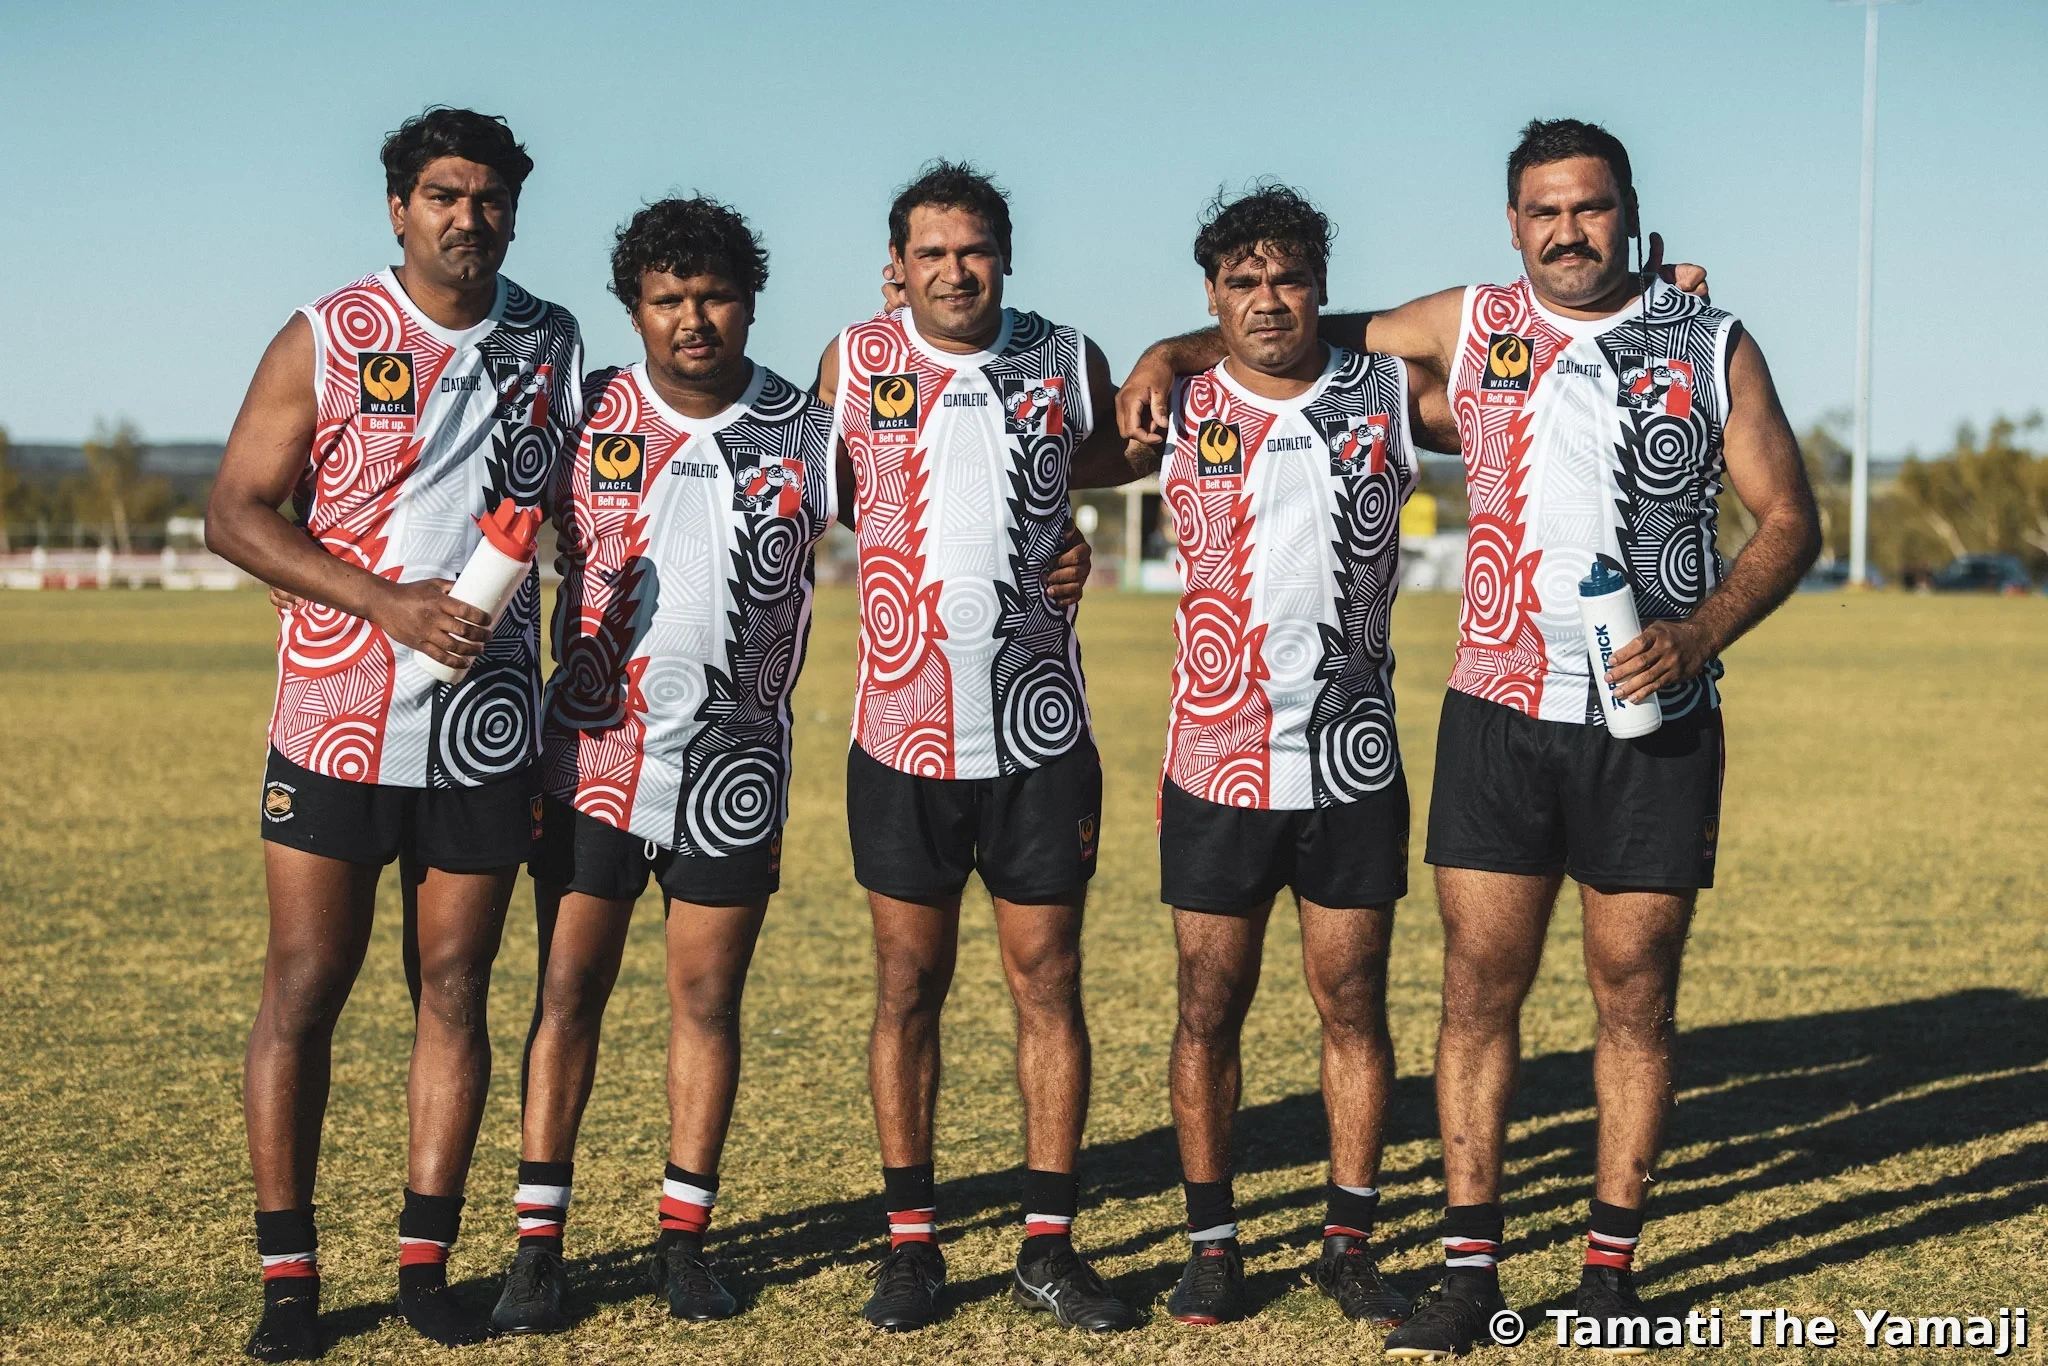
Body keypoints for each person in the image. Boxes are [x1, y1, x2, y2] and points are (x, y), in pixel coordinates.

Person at [1122, 119, 1817, 1359]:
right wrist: (1169, 349)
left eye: (1589, 208)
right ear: (1510, 224)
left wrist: (1699, 634)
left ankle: (1608, 1277)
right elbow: (1298, 334)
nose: (1566, 230)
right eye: (1543, 211)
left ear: (1626, 209)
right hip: (1496, 712)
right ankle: (1465, 1271)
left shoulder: (1706, 339)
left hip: (1649, 724)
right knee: (1471, 999)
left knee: (1635, 999)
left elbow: (1787, 521)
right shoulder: (1470, 321)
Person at [205, 107, 584, 1360]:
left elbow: (586, 509)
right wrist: (381, 602)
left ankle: (427, 1266)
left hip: (484, 734)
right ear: (396, 207)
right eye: (439, 194)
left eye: (485, 197)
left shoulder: (551, 340)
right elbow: (236, 513)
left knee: (455, 991)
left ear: (513, 210)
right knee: (306, 988)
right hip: (335, 720)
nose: (464, 216)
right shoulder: (330, 332)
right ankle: (290, 1281)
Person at [480, 197, 835, 1334]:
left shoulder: (804, 427)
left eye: (714, 295)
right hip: (584, 762)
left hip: (734, 772)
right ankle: (539, 1248)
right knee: (566, 994)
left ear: (749, 299)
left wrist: (1064, 549)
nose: (692, 319)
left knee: (704, 999)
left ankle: (684, 1239)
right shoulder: (583, 417)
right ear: (633, 308)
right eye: (667, 300)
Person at [812, 160, 1143, 1334]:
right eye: (932, 253)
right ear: (897, 266)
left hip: (1038, 738)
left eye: (976, 249)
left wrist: (1075, 535)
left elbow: (1120, 452)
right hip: (898, 734)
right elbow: (827, 494)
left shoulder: (1063, 355)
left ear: (1005, 254)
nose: (957, 272)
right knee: (907, 986)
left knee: (1046, 985)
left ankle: (1046, 1246)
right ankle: (911, 1248)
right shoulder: (850, 362)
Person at [1125, 185, 1422, 1330]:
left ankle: (1346, 1241)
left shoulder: (1387, 395)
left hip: (1350, 765)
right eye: (1240, 282)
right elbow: (1019, 460)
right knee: (1209, 1005)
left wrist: (1656, 304)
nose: (1264, 300)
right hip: (1215, 765)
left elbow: (1524, 366)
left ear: (1320, 286)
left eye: (1285, 278)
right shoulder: (1174, 401)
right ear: (1210, 294)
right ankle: (1212, 1245)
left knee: (1351, 1002)